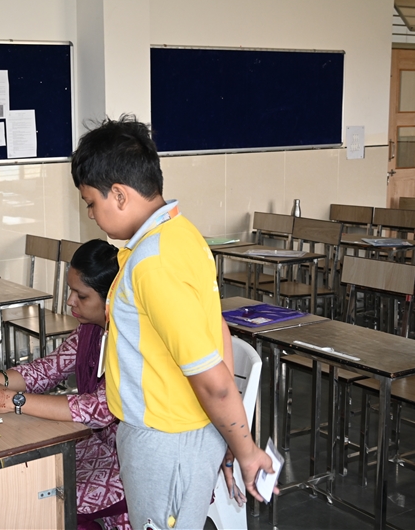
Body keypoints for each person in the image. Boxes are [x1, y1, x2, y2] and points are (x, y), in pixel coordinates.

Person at [70, 115, 275, 529]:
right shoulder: (180, 235)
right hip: (180, 431)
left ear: (119, 195)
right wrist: (229, 436)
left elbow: (212, 379)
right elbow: (217, 331)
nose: (91, 214)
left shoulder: (154, 263)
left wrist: (244, 448)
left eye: (91, 202)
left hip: (167, 440)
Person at [0, 239, 130, 530]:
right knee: (30, 482)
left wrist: (15, 401)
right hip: (98, 445)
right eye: (70, 291)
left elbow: (97, 409)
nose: (70, 301)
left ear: (111, 298)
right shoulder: (90, 331)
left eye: (81, 295)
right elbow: (46, 370)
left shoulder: (131, 340)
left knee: (47, 499)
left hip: (128, 463)